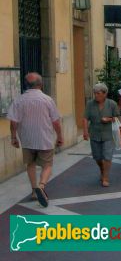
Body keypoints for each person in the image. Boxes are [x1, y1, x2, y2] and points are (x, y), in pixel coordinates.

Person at [7, 72, 63, 207]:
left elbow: (13, 122)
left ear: (26, 85)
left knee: (30, 164)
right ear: (41, 84)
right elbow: (55, 121)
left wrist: (14, 137)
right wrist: (60, 136)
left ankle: (33, 190)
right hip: (44, 138)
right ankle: (42, 185)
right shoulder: (47, 100)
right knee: (47, 164)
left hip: (27, 139)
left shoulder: (19, 100)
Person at [83, 83, 119, 187]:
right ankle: (102, 170)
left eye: (98, 93)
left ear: (104, 93)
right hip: (94, 133)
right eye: (95, 93)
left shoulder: (112, 104)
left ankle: (106, 177)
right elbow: (85, 118)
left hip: (108, 134)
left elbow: (117, 118)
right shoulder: (90, 104)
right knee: (97, 157)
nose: (96, 95)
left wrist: (108, 119)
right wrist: (85, 132)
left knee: (107, 157)